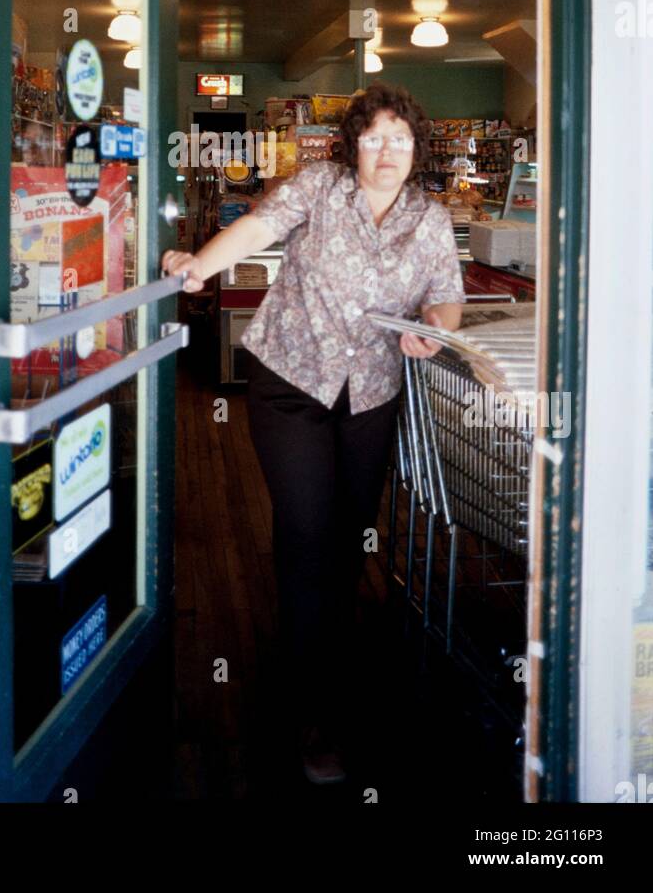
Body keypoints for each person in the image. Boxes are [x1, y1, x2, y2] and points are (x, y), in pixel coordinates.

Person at [161, 83, 465, 784]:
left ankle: (328, 655)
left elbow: (445, 296)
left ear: (415, 148)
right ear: (353, 143)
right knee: (306, 534)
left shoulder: (429, 218)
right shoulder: (320, 187)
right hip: (291, 382)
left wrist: (434, 329)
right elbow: (259, 226)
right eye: (373, 137)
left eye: (399, 139)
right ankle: (314, 713)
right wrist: (200, 264)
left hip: (371, 395)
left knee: (349, 538)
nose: (386, 151)